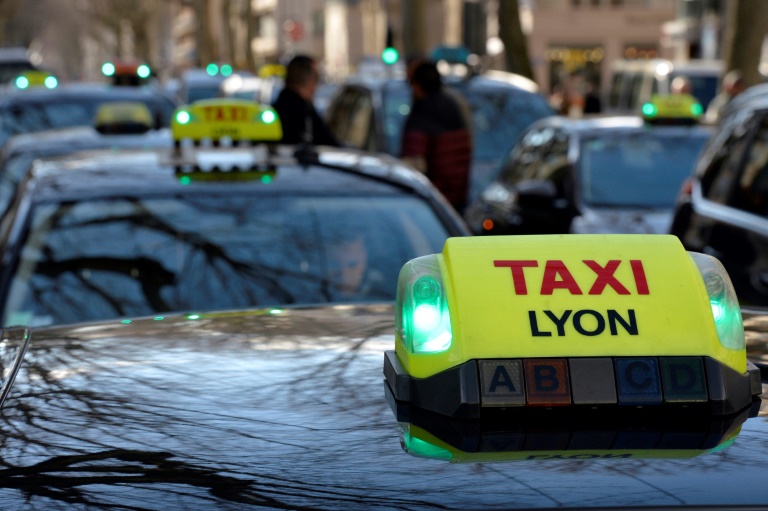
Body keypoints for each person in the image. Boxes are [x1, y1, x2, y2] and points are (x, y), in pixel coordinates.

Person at [401, 60, 472, 212]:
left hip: (431, 202)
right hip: (456, 200)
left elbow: (413, 166)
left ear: (418, 85)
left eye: (411, 82)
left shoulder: (421, 114)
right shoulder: (453, 104)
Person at [272, 55, 339, 146]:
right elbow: (328, 142)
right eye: (317, 78)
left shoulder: (276, 109)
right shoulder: (305, 114)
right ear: (311, 82)